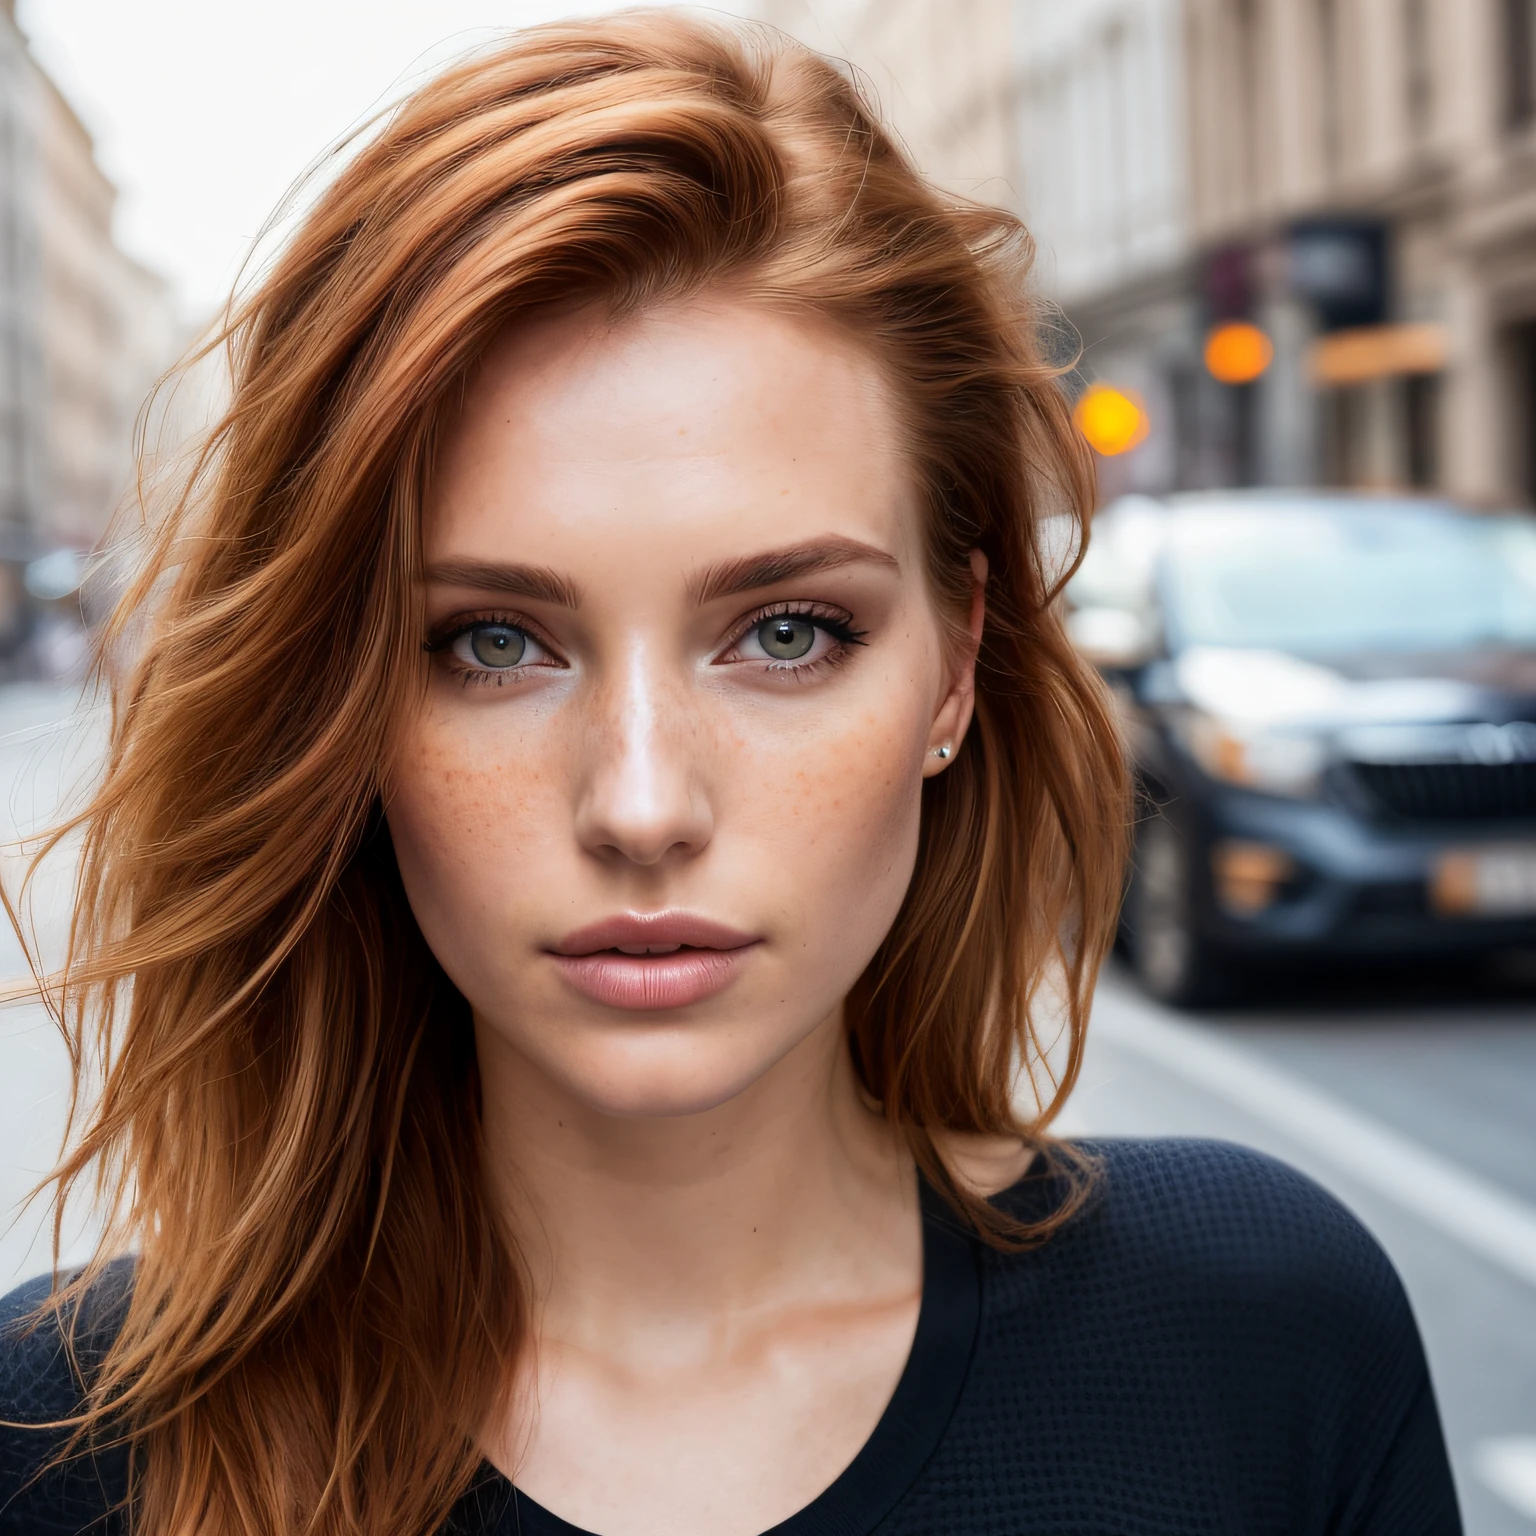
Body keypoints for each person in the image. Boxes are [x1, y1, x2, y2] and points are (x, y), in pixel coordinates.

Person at [0, 13, 1460, 1536]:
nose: (641, 806)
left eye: (786, 631)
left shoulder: (1264, 1347)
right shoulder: (62, 1450)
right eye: (493, 642)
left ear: (956, 663)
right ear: (344, 700)